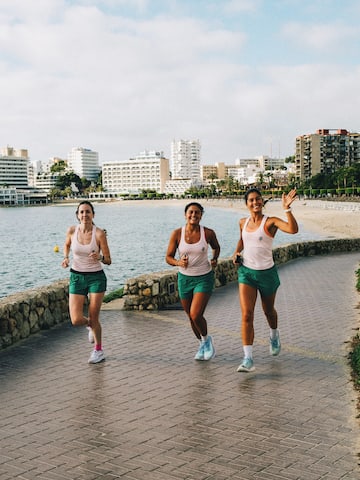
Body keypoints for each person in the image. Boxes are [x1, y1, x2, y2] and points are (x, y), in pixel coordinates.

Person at [233, 188, 298, 372]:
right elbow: (242, 240)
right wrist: (236, 252)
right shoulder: (242, 222)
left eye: (258, 199)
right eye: (251, 200)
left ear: (262, 202)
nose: (255, 203)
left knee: (268, 310)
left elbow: (293, 230)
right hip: (246, 273)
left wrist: (286, 209)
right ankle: (248, 359)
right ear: (247, 204)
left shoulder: (271, 222)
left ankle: (274, 334)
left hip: (267, 273)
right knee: (247, 314)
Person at [166, 202, 220, 361]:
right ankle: (202, 344)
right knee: (190, 317)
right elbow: (168, 257)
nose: (193, 215)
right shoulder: (177, 234)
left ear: (201, 215)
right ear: (185, 214)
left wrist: (214, 258)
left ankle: (207, 341)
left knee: (196, 314)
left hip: (204, 277)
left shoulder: (208, 233)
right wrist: (178, 263)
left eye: (197, 213)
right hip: (184, 279)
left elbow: (216, 247)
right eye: (190, 212)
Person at [62, 200, 112, 364]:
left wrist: (100, 257)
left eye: (88, 212)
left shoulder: (99, 234)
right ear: (78, 215)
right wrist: (65, 258)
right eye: (81, 212)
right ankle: (90, 325)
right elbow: (67, 245)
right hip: (76, 276)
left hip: (96, 277)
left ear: (93, 215)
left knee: (94, 315)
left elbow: (108, 260)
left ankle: (98, 350)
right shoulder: (71, 230)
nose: (85, 215)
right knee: (76, 319)